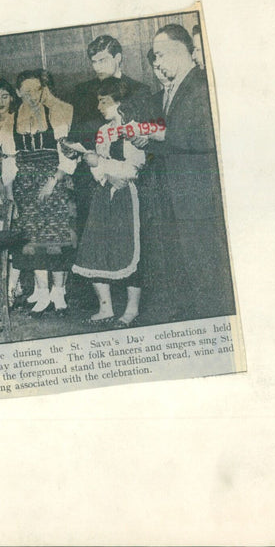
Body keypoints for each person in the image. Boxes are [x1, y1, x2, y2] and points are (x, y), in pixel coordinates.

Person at [135, 23, 235, 322]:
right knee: (187, 266)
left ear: (181, 52)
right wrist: (152, 138)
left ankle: (215, 323)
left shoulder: (201, 85)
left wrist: (159, 134)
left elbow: (208, 138)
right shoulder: (177, 86)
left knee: (206, 269)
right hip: (177, 196)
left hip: (198, 197)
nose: (158, 63)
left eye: (162, 55)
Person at [72, 77, 145, 327]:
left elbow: (135, 169)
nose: (99, 107)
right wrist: (99, 167)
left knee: (128, 250)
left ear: (120, 102)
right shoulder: (103, 131)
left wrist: (102, 164)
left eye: (104, 101)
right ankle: (105, 308)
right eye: (98, 102)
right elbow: (98, 169)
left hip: (129, 196)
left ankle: (131, 309)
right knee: (95, 249)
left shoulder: (133, 129)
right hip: (104, 194)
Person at [12, 69, 78, 315]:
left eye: (36, 90)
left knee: (57, 239)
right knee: (35, 239)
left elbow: (69, 156)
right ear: (18, 92)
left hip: (54, 181)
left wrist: (52, 182)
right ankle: (41, 292)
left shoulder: (56, 112)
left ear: (43, 90)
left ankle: (58, 293)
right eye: (26, 91)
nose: (31, 95)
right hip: (26, 185)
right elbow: (11, 156)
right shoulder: (14, 117)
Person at [69, 36, 149, 235]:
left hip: (129, 185)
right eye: (93, 62)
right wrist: (70, 149)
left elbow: (145, 144)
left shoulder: (140, 91)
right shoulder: (82, 91)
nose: (97, 68)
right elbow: (76, 136)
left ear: (118, 57)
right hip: (91, 183)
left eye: (102, 60)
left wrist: (117, 174)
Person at [0, 78, 24, 304]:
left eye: (4, 96)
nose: (0, 102)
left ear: (12, 98)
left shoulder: (18, 120)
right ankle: (5, 284)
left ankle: (11, 287)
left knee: (14, 230)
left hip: (15, 178)